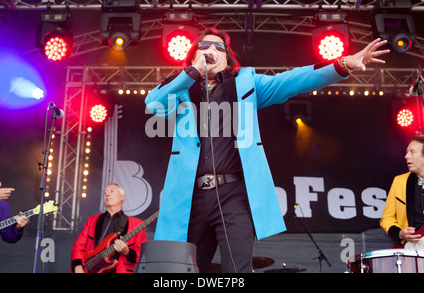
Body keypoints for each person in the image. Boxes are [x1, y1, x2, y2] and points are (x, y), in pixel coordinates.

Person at [145, 27, 390, 273]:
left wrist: (343, 64)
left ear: (227, 58)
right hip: (192, 196)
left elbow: (294, 80)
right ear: (193, 55)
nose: (211, 51)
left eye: (219, 47)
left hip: (233, 194)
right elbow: (153, 104)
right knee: (178, 272)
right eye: (205, 46)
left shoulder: (246, 84)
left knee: (237, 272)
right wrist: (192, 72)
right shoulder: (180, 89)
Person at [71, 183, 147, 273]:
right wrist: (78, 267)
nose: (107, 194)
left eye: (112, 191)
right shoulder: (92, 221)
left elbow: (142, 253)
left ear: (122, 197)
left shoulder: (137, 224)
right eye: (105, 192)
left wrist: (127, 251)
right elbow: (78, 246)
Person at [380, 136, 424, 248]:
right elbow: (387, 218)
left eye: (412, 152)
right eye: (407, 152)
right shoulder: (399, 181)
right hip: (411, 247)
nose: (406, 156)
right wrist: (400, 233)